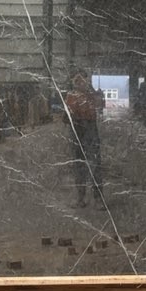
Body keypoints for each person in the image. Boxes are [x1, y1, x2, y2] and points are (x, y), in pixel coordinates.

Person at [65, 71, 106, 210]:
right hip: (76, 129)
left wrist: (95, 94)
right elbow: (66, 116)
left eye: (82, 80)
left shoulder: (92, 95)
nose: (80, 83)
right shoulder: (70, 96)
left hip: (90, 129)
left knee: (95, 163)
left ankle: (98, 198)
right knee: (78, 164)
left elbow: (100, 106)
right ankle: (80, 198)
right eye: (77, 80)